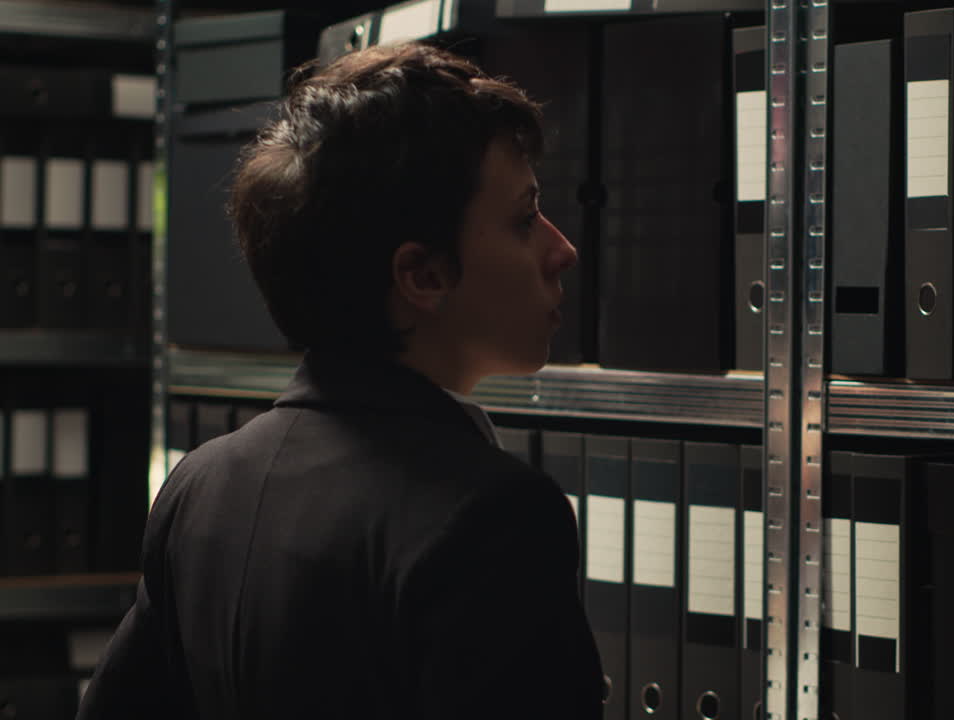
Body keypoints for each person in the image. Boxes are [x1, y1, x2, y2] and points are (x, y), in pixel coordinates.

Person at [78, 42, 600, 719]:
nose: (563, 250)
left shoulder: (201, 485)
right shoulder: (494, 519)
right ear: (423, 276)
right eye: (524, 219)